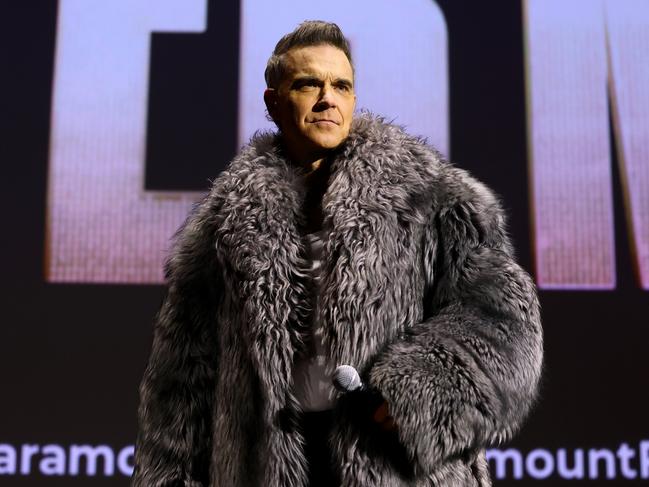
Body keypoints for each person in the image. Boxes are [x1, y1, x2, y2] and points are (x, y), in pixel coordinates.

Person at [132, 20, 543, 487]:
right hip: (270, 465)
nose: (328, 98)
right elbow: (181, 379)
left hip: (391, 457)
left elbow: (504, 316)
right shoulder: (222, 224)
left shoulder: (428, 195)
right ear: (273, 101)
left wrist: (420, 393)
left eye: (341, 86)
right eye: (309, 83)